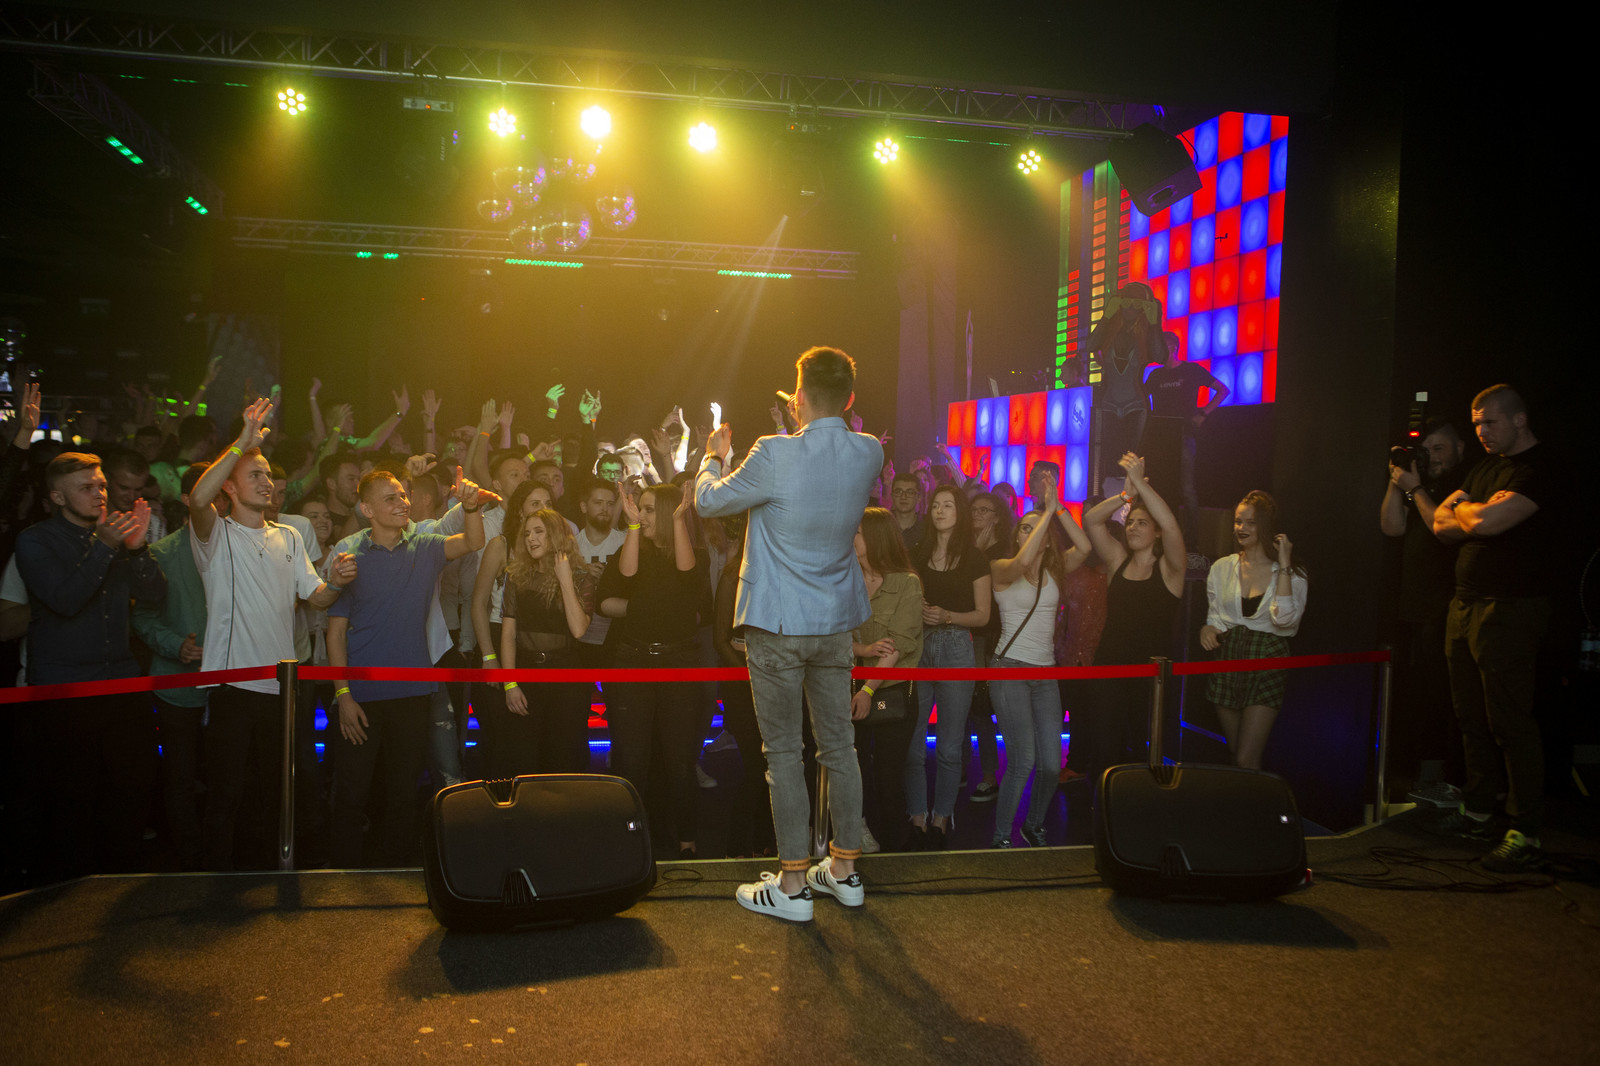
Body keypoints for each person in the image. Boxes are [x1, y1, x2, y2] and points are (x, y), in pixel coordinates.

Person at [695, 346, 883, 922]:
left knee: (783, 753)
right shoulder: (869, 451)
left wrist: (712, 457)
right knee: (839, 747)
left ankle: (795, 884)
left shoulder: (773, 451)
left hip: (777, 624)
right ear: (850, 398)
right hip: (834, 624)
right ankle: (845, 872)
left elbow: (708, 502)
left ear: (798, 397)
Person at [187, 398, 355, 870]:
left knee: (276, 790)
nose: (267, 482)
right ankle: (216, 882)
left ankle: (269, 880)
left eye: (267, 475)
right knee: (226, 793)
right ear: (230, 486)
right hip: (232, 685)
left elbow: (316, 598)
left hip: (283, 687)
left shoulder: (290, 536)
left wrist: (335, 582)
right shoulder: (216, 534)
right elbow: (198, 499)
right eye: (254, 475)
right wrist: (240, 443)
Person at [327, 465, 496, 867]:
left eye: (404, 495)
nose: (402, 503)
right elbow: (335, 635)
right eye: (391, 498)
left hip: (414, 692)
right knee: (351, 791)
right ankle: (340, 878)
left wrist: (470, 506)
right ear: (367, 509)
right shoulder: (351, 557)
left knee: (403, 791)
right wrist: (343, 696)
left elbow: (473, 541)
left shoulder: (424, 546)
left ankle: (398, 872)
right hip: (362, 696)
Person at [11, 451, 165, 883]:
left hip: (121, 682)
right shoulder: (36, 540)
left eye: (101, 486)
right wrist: (106, 546)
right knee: (70, 797)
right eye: (86, 487)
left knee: (131, 786)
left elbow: (155, 596)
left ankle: (119, 884)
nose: (99, 494)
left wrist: (138, 549)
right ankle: (68, 891)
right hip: (65, 688)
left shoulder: (115, 535)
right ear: (58, 496)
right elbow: (65, 600)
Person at [1431, 385, 1553, 872]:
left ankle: (1525, 830)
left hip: (1510, 609)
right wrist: (1473, 513)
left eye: (1490, 422)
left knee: (1508, 720)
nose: (1481, 431)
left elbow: (1488, 522)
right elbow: (1441, 525)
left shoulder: (1538, 469)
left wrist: (1470, 513)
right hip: (1464, 606)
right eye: (1477, 423)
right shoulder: (1484, 469)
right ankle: (1479, 810)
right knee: (1470, 716)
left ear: (1519, 420)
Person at [598, 481, 707, 859]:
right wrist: (631, 525)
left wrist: (677, 520)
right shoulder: (631, 548)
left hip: (679, 661)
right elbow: (626, 577)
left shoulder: (695, 553)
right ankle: (629, 839)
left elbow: (688, 575)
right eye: (638, 509)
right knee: (631, 758)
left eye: (647, 510)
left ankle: (687, 841)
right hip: (634, 658)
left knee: (680, 760)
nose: (641, 515)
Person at [987, 474, 1091, 847]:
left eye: (1036, 529)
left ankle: (1033, 824)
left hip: (1046, 673)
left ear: (1047, 538)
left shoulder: (1056, 570)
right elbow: (1023, 561)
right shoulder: (1002, 567)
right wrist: (1044, 513)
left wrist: (1057, 508)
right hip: (1009, 668)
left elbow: (1084, 545)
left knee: (1050, 763)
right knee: (1022, 761)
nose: (1029, 533)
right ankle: (1001, 836)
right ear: (1017, 536)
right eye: (1024, 528)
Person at [1379, 417, 1469, 807]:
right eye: (1426, 450)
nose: (1431, 457)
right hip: (1413, 607)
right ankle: (1417, 775)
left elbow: (1440, 528)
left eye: (1439, 449)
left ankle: (1450, 780)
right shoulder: (1420, 487)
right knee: (1415, 694)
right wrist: (1396, 480)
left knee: (1443, 697)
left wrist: (1414, 488)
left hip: (1446, 605)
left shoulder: (1463, 487)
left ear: (1459, 449)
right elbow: (1391, 527)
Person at [1080, 453, 1187, 779]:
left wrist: (1141, 484)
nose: (1133, 527)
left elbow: (1171, 525)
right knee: (1105, 748)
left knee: (1143, 751)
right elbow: (1092, 521)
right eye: (1130, 522)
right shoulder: (1118, 561)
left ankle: (1139, 806)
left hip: (1150, 675)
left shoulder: (1170, 569)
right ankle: (1102, 804)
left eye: (1142, 523)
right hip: (1109, 667)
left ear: (1156, 533)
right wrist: (1126, 495)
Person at [131, 464, 211, 870]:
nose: (214, 503)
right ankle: (189, 857)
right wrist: (176, 644)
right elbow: (142, 617)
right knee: (180, 774)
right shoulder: (163, 553)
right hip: (178, 685)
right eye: (206, 494)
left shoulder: (241, 549)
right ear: (187, 500)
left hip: (231, 686)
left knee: (224, 773)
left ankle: (223, 853)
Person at [905, 484, 990, 850]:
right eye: (936, 505)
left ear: (960, 512)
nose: (940, 511)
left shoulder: (974, 557)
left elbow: (983, 615)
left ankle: (941, 816)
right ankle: (916, 815)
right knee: (913, 743)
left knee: (950, 746)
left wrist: (947, 616)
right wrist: (919, 610)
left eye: (948, 505)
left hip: (957, 647)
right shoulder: (917, 553)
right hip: (919, 645)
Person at [1199, 490, 1307, 770]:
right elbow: (1216, 617)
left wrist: (1284, 565)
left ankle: (1255, 800)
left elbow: (1284, 620)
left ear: (1266, 526)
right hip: (1228, 656)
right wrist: (1207, 629)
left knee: (1246, 757)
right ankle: (1243, 798)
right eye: (1238, 521)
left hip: (1267, 658)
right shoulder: (1222, 568)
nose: (1241, 528)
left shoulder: (1293, 573)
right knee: (1236, 754)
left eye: (1250, 522)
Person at [498, 508, 596, 774]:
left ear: (555, 535)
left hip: (567, 676)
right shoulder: (517, 576)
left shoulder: (580, 577)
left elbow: (579, 629)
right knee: (525, 758)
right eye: (527, 533)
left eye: (539, 532)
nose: (531, 539)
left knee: (563, 758)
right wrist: (509, 684)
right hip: (527, 672)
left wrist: (565, 579)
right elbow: (508, 635)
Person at [850, 508, 924, 853]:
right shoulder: (846, 580)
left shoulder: (906, 583)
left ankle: (896, 846)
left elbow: (896, 646)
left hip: (890, 693)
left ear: (876, 537)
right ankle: (860, 836)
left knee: (887, 775)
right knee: (855, 772)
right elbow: (832, 637)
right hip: (849, 691)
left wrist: (868, 689)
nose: (851, 537)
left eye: (857, 532)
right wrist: (864, 648)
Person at [1141, 331, 1228, 536]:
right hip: (1161, 438)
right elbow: (1140, 398)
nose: (1158, 350)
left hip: (1184, 434)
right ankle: (1162, 535)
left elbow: (1223, 390)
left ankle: (1192, 540)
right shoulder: (1155, 375)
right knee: (1161, 486)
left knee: (1186, 489)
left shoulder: (1191, 370)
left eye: (1162, 346)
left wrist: (1203, 414)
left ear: (1173, 347)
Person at [964, 490, 1013, 804]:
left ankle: (993, 776)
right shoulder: (964, 547)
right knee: (968, 706)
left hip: (996, 637)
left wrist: (978, 556)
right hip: (967, 633)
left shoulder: (1006, 551)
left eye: (985, 510)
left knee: (990, 708)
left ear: (997, 517)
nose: (978, 514)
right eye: (974, 509)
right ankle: (967, 770)